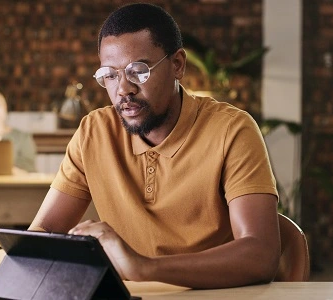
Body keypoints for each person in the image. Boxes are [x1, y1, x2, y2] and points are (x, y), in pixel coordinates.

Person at [28, 3, 280, 289]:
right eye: (110, 75)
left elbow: (261, 254)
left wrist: (144, 267)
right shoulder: (93, 132)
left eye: (139, 71)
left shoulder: (231, 130)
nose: (124, 89)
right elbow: (42, 234)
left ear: (177, 65)